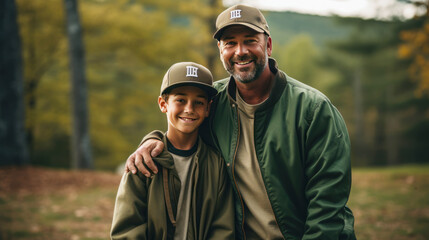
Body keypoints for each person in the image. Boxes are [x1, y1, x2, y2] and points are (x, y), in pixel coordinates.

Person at [126, 4, 356, 240]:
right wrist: (152, 140)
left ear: (267, 44)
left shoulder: (313, 110)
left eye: (250, 40)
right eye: (230, 43)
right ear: (220, 49)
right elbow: (181, 126)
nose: (240, 51)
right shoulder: (211, 103)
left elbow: (327, 205)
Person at [110, 62, 235, 239]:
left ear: (208, 108)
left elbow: (223, 229)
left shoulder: (217, 165)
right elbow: (127, 229)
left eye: (198, 102)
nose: (189, 109)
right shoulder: (144, 161)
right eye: (180, 100)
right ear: (163, 104)